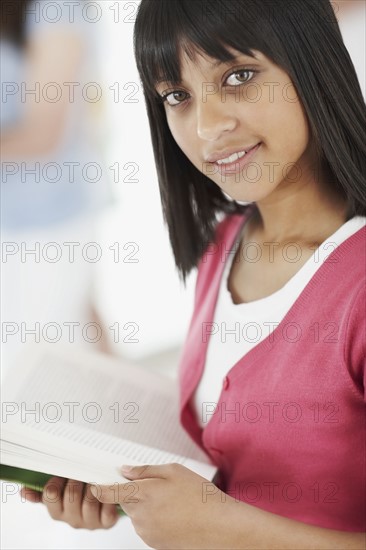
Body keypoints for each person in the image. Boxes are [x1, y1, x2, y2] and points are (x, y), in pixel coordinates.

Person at [21, 1, 366, 549]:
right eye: (177, 96)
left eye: (239, 76)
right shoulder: (225, 246)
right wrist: (126, 491)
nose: (207, 127)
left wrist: (220, 526)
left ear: (311, 62)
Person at [1, 0, 112, 374]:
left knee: (33, 373)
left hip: (48, 224)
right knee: (80, 344)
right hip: (11, 226)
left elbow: (43, 134)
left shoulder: (57, 7)